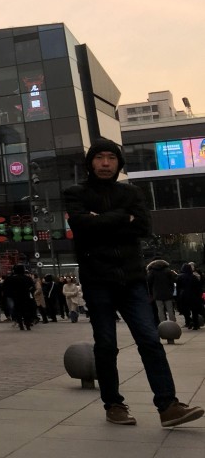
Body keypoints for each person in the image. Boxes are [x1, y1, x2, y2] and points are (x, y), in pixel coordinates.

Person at [63, 137, 203, 427]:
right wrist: (120, 219)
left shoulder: (132, 193)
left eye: (111, 158)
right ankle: (113, 404)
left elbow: (142, 226)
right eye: (99, 158)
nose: (105, 163)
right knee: (106, 344)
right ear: (90, 163)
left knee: (150, 340)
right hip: (97, 280)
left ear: (118, 163)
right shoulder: (75, 193)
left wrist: (101, 219)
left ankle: (168, 406)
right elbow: (81, 224)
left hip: (133, 280)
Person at [2, 264, 36, 330]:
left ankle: (21, 325)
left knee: (18, 311)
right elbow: (32, 287)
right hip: (26, 297)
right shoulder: (27, 278)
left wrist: (9, 295)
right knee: (26, 311)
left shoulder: (10, 279)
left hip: (15, 297)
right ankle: (27, 324)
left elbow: (5, 288)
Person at [146, 258, 177, 324]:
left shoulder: (152, 272)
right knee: (170, 309)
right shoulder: (167, 270)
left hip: (157, 293)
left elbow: (149, 282)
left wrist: (151, 293)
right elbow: (174, 279)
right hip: (168, 293)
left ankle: (163, 324)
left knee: (160, 310)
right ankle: (173, 323)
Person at [175, 262, 204, 330]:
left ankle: (188, 321)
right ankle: (196, 324)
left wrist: (177, 296)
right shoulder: (194, 277)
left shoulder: (180, 277)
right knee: (194, 311)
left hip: (183, 295)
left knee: (185, 310)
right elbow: (198, 287)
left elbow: (177, 288)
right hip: (193, 295)